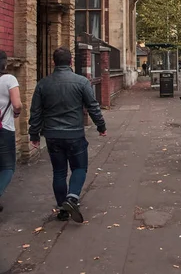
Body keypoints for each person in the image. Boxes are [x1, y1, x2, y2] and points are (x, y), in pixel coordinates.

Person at [29, 47, 107, 223]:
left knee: (59, 172)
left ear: (53, 62)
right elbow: (93, 106)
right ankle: (72, 198)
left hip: (52, 135)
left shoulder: (43, 84)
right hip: (74, 134)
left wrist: (34, 135)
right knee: (79, 168)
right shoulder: (81, 82)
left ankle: (62, 210)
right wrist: (101, 126)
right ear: (71, 62)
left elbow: (35, 112)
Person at [0, 50, 22, 212]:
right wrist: (16, 113)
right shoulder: (9, 79)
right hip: (4, 129)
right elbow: (17, 104)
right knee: (8, 167)